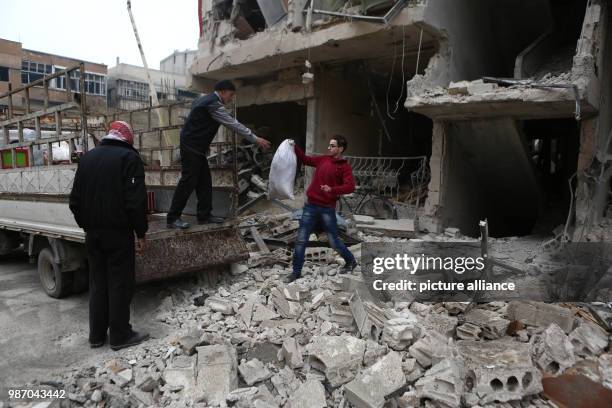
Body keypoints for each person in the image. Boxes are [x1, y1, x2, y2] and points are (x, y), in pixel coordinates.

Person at [69, 121, 149, 351]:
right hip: (117, 233)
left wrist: (87, 225)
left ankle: (96, 336)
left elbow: (74, 201)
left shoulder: (87, 159)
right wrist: (140, 232)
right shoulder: (129, 159)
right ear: (127, 138)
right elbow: (135, 202)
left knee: (98, 283)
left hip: (93, 234)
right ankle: (120, 335)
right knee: (119, 283)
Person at [167, 80, 271, 229]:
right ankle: (172, 218)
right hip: (192, 146)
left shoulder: (204, 100)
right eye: (231, 94)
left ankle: (204, 216)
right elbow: (232, 124)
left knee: (204, 182)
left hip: (196, 147)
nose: (231, 98)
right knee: (188, 181)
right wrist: (255, 139)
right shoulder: (213, 104)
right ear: (222, 91)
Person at [286, 135, 358, 283]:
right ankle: (296, 272)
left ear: (340, 149)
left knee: (334, 241)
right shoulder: (323, 159)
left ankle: (351, 261)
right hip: (311, 207)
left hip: (327, 209)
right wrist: (294, 147)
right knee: (301, 240)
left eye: (332, 146)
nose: (329, 148)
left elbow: (350, 186)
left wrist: (332, 189)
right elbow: (306, 160)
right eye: (329, 145)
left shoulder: (344, 167)